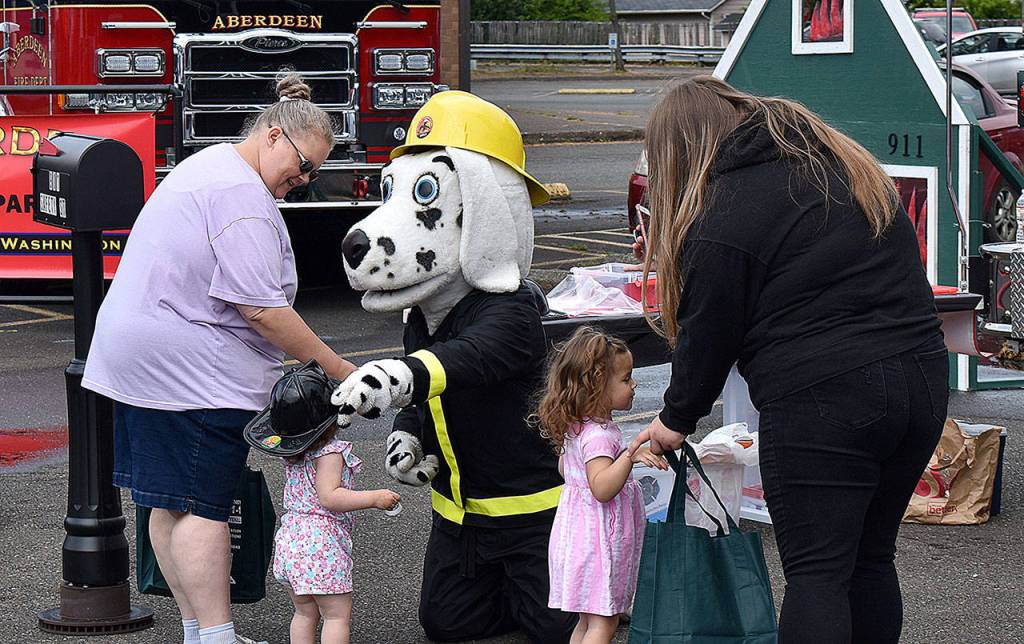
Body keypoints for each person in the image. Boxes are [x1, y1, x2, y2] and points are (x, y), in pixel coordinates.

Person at [628, 76, 948, 644]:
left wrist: (675, 419)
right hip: (920, 379)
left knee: (818, 575)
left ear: (685, 148)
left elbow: (708, 330)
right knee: (871, 559)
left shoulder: (724, 210)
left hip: (823, 400)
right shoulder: (842, 167)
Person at [81, 73, 355, 644]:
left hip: (141, 358)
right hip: (191, 372)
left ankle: (198, 632)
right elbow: (262, 310)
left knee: (164, 501)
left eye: (314, 175)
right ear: (275, 136)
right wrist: (338, 368)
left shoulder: (211, 166)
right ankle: (217, 635)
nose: (302, 182)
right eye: (303, 167)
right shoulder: (242, 198)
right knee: (203, 506)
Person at [244, 361, 401, 644]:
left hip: (292, 542)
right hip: (320, 544)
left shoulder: (293, 453)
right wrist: (375, 498)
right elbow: (330, 497)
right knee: (336, 615)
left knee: (304, 614)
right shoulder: (330, 452)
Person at [535, 326, 667, 644]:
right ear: (596, 387)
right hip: (600, 545)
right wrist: (631, 453)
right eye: (625, 379)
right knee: (604, 623)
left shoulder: (577, 428)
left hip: (577, 538)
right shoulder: (600, 435)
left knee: (587, 620)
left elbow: (566, 470)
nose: (634, 385)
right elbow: (602, 488)